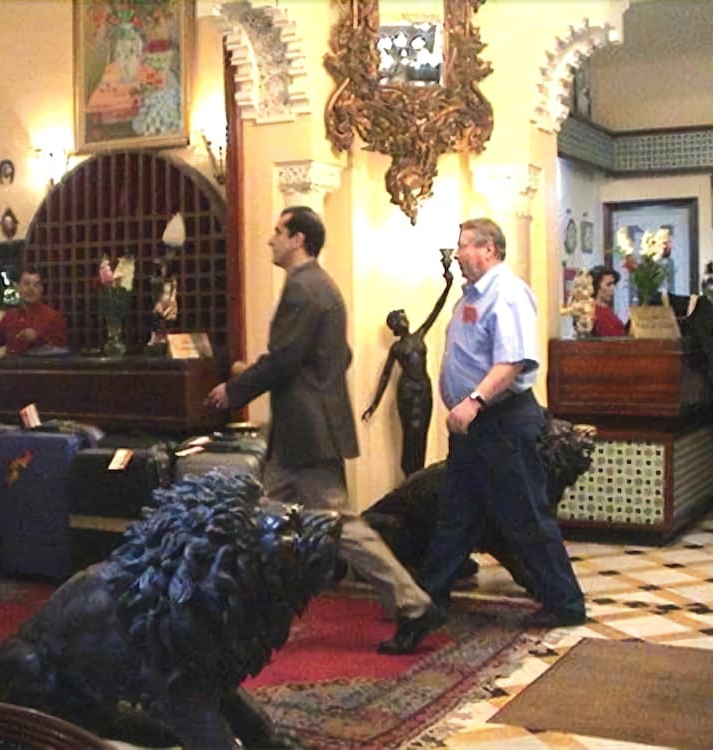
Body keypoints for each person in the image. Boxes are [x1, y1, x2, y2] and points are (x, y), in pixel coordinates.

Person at [204, 206, 439, 652]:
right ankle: (251, 611)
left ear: (298, 240)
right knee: (263, 521)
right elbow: (338, 355)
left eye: (278, 231)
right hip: (306, 430)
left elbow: (285, 358)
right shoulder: (321, 286)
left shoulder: (304, 287)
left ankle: (412, 604)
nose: (270, 239)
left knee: (338, 526)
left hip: (307, 434)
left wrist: (234, 390)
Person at [380, 217, 586, 655]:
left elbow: (512, 362)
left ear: (488, 249)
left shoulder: (506, 293)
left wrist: (473, 400)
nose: (457, 254)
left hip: (502, 423)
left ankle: (566, 603)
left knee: (527, 517)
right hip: (474, 430)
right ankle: (427, 606)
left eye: (464, 245)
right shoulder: (470, 297)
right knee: (454, 519)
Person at [361, 267, 454, 476]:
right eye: (400, 318)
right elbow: (386, 375)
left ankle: (418, 475)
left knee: (421, 435)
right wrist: (374, 404)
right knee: (410, 436)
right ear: (395, 325)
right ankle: (409, 476)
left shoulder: (419, 335)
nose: (405, 319)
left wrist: (448, 285)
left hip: (424, 390)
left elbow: (436, 310)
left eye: (404, 316)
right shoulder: (396, 348)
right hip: (408, 393)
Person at [0, 266, 68, 356]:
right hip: (11, 368)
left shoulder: (53, 317)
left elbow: (61, 349)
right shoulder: (11, 316)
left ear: (42, 289)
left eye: (36, 285)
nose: (31, 289)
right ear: (18, 287)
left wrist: (37, 337)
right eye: (26, 284)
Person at [588, 265, 626, 337]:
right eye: (608, 284)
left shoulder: (607, 309)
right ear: (596, 286)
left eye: (614, 284)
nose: (613, 288)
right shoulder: (591, 311)